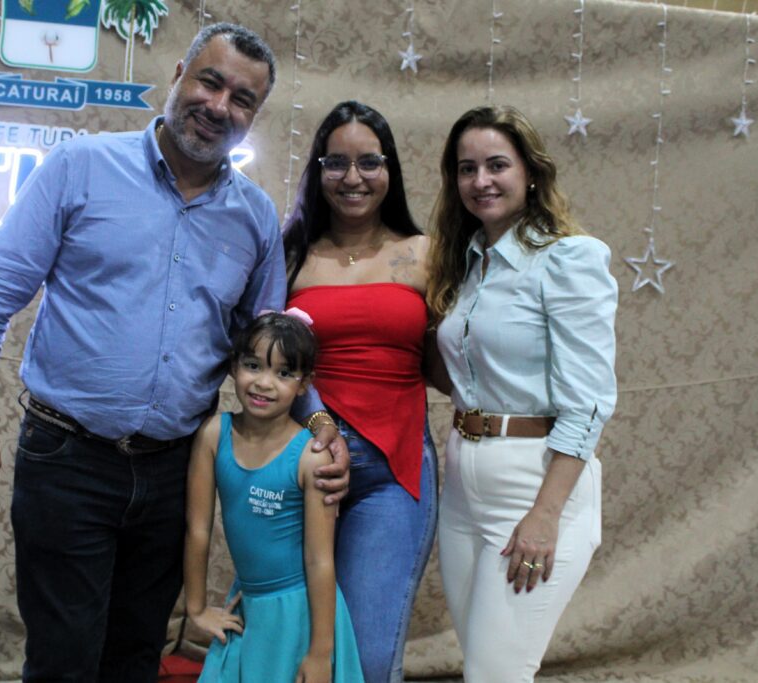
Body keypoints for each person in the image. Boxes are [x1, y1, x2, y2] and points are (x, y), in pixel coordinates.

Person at [0, 23, 348, 682]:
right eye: (210, 82)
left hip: (175, 470)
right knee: (64, 660)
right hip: (67, 458)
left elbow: (274, 347)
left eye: (242, 99)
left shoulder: (254, 218)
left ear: (254, 115)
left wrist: (321, 422)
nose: (219, 106)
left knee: (135, 658)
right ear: (179, 75)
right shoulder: (80, 167)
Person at [425, 105, 617, 682]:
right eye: (467, 169)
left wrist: (545, 514)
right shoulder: (468, 263)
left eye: (497, 165)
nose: (481, 181)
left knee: (496, 672)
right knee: (482, 666)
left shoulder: (568, 258)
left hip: (533, 483)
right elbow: (467, 375)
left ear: (530, 172)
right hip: (463, 484)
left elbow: (589, 401)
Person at [282, 101, 438, 683]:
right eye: (336, 162)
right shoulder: (288, 253)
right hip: (299, 463)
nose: (353, 177)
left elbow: (455, 359)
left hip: (393, 472)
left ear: (389, 168)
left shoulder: (426, 253)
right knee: (282, 642)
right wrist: (319, 425)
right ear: (318, 170)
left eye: (369, 162)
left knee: (368, 660)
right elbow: (264, 360)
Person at [184, 311, 365, 683]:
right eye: (253, 366)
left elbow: (319, 560)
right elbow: (198, 529)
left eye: (283, 373)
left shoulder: (311, 457)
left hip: (300, 614)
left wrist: (320, 653)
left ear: (304, 384)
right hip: (247, 606)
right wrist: (197, 608)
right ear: (234, 366)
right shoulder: (214, 435)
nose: (264, 383)